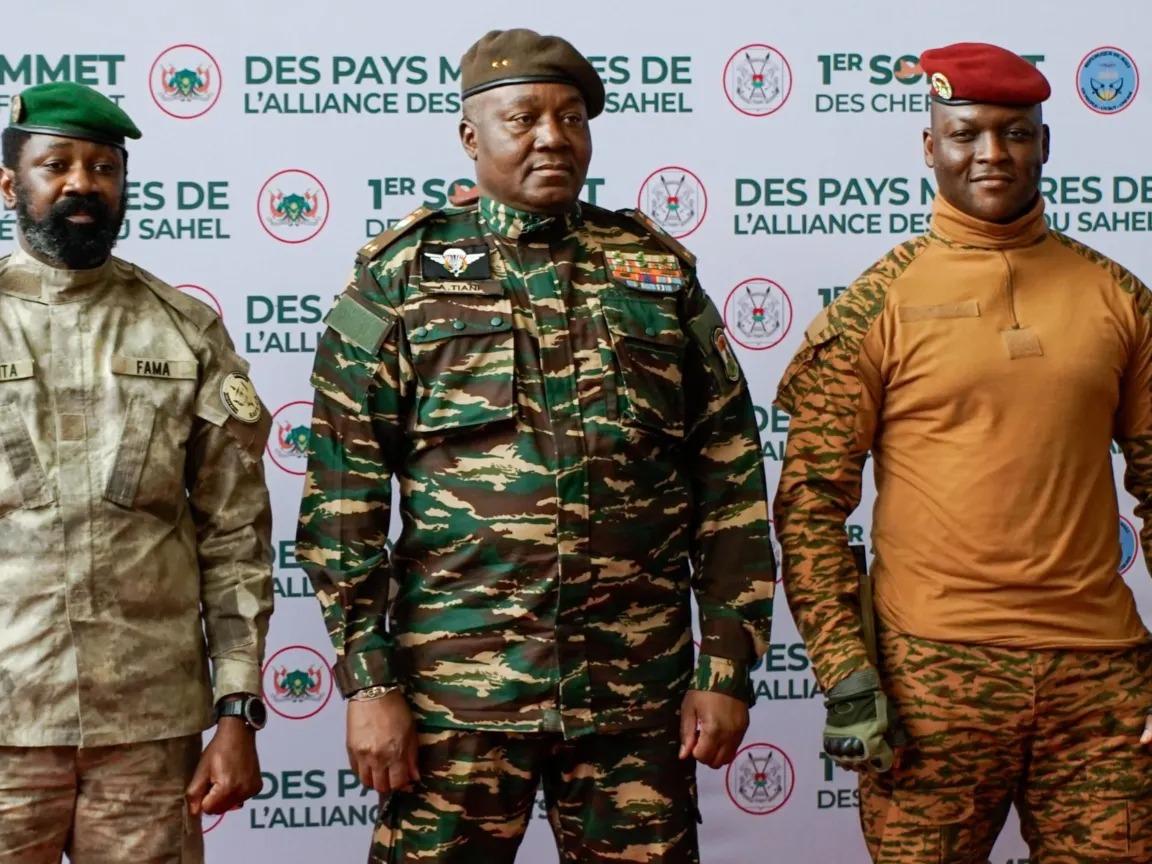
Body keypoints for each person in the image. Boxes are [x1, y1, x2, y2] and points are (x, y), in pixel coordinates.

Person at [296, 27, 774, 864]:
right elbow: (344, 503)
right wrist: (369, 683)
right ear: (471, 136)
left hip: (635, 695)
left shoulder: (655, 272)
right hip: (457, 701)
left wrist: (728, 666)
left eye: (572, 118)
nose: (553, 137)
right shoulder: (401, 278)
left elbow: (729, 480)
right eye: (524, 118)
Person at [774, 41, 1152, 861]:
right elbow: (808, 505)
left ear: (1044, 144)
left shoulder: (1120, 298)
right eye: (966, 133)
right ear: (929, 146)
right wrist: (846, 671)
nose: (992, 153)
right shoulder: (876, 306)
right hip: (930, 680)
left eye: (1014, 133)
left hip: (1100, 683)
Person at [0, 82, 274, 862]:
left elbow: (235, 537)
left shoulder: (182, 329)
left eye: (103, 168)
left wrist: (238, 710)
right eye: (57, 164)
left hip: (148, 735)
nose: (82, 184)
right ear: (10, 184)